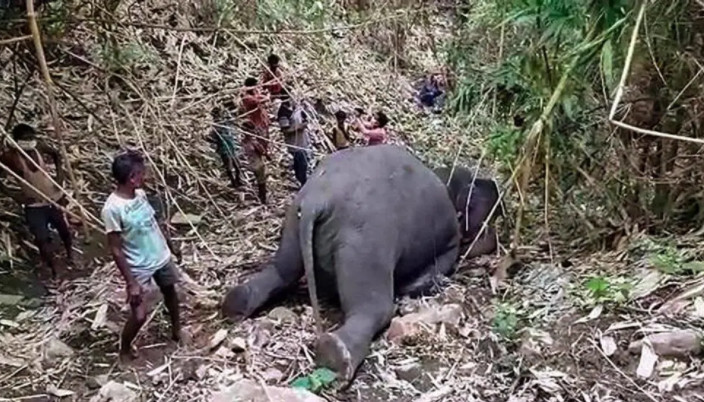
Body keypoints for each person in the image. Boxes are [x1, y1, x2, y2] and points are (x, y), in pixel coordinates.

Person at [101, 150, 183, 363]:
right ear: (131, 178)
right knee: (139, 315)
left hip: (159, 256)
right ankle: (125, 348)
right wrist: (131, 282)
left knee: (171, 294)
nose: (144, 176)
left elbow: (154, 224)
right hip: (139, 267)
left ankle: (177, 331)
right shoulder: (112, 209)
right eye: (141, 173)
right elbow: (116, 249)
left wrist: (171, 245)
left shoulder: (141, 195)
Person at [0, 123, 73, 277]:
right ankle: (53, 269)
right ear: (17, 141)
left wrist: (59, 177)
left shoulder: (38, 148)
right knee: (41, 238)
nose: (29, 141)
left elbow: (56, 155)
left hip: (52, 198)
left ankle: (70, 255)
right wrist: (14, 195)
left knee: (64, 230)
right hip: (33, 204)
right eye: (25, 139)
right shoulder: (10, 157)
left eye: (31, 138)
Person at [240, 77, 271, 204]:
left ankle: (262, 194)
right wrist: (266, 96)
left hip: (262, 124)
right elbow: (263, 99)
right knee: (261, 178)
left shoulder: (252, 94)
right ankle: (262, 197)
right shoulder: (247, 98)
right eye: (255, 86)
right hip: (258, 125)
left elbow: (261, 96)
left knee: (263, 143)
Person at [277, 90, 312, 187]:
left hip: (302, 140)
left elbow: (304, 117)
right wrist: (298, 127)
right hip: (294, 143)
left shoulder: (295, 107)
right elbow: (285, 130)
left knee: (300, 163)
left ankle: (301, 180)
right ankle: (303, 183)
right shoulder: (283, 113)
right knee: (302, 164)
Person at [206, 106, 242, 188]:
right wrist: (218, 141)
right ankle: (234, 182)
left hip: (231, 147)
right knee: (230, 166)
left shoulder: (225, 124)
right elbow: (209, 138)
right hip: (224, 149)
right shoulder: (215, 128)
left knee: (237, 165)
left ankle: (238, 180)